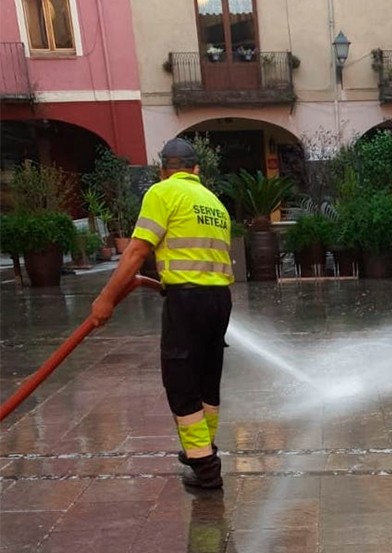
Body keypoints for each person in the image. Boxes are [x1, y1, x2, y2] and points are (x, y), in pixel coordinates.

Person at [90, 138, 233, 489]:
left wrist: (105, 298)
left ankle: (205, 469)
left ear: (163, 169)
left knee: (181, 381)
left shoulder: (162, 192)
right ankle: (201, 450)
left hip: (187, 301)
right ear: (196, 169)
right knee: (205, 381)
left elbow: (138, 249)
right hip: (220, 300)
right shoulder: (213, 201)